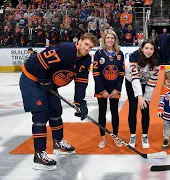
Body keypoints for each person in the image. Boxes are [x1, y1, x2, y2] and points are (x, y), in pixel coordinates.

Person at [19, 33, 98, 170]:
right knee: (40, 115)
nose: (87, 48)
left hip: (48, 82)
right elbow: (40, 60)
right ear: (79, 42)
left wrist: (80, 102)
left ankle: (58, 141)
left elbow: (81, 82)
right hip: (31, 78)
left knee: (55, 110)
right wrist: (43, 79)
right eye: (86, 44)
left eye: (90, 47)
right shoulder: (66, 49)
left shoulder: (85, 60)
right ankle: (39, 154)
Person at [125, 39, 161, 149]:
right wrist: (139, 96)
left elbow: (153, 80)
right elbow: (135, 77)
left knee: (145, 109)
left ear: (154, 50)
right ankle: (132, 136)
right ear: (142, 48)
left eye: (151, 49)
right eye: (146, 48)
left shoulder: (157, 59)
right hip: (131, 81)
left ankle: (144, 136)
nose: (149, 51)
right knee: (133, 107)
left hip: (146, 82)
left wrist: (147, 97)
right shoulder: (134, 56)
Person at [93, 29, 125, 149]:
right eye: (108, 38)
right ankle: (102, 137)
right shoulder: (99, 53)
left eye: (112, 38)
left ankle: (115, 136)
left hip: (114, 89)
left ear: (115, 39)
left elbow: (121, 73)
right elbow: (95, 73)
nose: (110, 40)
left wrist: (117, 89)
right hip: (102, 89)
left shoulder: (119, 53)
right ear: (104, 39)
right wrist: (102, 90)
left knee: (114, 113)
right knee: (102, 113)